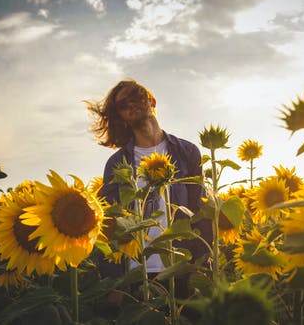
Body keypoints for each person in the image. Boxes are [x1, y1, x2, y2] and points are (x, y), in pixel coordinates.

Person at [87, 79, 212, 298]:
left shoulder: (187, 152)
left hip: (182, 266)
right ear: (121, 116)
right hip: (139, 272)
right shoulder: (118, 164)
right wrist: (113, 282)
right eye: (123, 104)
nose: (131, 104)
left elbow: (200, 210)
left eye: (135, 95)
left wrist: (201, 265)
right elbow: (108, 225)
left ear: (152, 100)